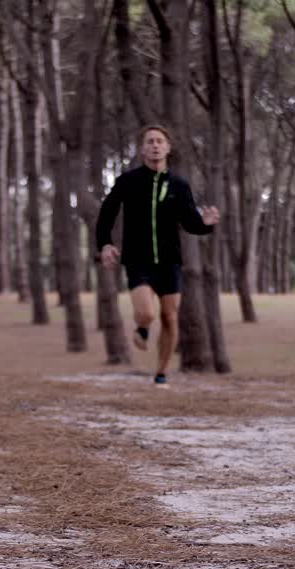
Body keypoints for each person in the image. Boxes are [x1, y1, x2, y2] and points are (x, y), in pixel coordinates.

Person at [95, 125, 219, 385]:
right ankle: (142, 326)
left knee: (169, 317)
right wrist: (105, 244)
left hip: (169, 261)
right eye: (149, 141)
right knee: (148, 313)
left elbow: (190, 223)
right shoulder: (128, 181)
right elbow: (107, 213)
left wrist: (206, 223)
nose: (154, 145)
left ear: (168, 148)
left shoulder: (179, 185)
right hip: (138, 259)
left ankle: (161, 372)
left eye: (159, 141)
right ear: (142, 149)